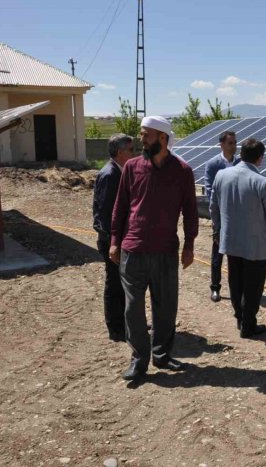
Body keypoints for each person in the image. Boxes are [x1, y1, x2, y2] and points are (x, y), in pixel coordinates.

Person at [110, 116, 198, 381]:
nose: (141, 139)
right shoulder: (132, 168)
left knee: (165, 307)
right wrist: (115, 240)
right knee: (132, 308)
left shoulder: (182, 171)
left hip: (165, 251)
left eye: (145, 135)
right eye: (141, 134)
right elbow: (120, 207)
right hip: (133, 249)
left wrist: (189, 245)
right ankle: (139, 359)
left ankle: (161, 355)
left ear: (162, 137)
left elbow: (191, 212)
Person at [210, 138, 266, 337]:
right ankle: (248, 324)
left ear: (241, 154)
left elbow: (214, 207)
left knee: (235, 283)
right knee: (252, 287)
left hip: (230, 241)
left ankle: (239, 318)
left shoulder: (221, 175)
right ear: (260, 158)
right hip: (256, 245)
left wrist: (218, 231)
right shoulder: (262, 182)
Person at [92, 133, 134, 342]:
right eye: (131, 150)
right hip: (111, 240)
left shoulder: (119, 172)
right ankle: (116, 329)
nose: (134, 154)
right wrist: (113, 242)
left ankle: (124, 323)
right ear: (120, 152)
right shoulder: (110, 175)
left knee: (122, 283)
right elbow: (106, 213)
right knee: (115, 283)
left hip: (118, 239)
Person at [203, 130, 239, 303]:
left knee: (237, 256)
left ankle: (237, 288)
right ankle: (215, 287)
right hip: (221, 216)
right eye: (231, 143)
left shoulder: (241, 163)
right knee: (218, 254)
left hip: (239, 217)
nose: (234, 146)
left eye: (235, 142)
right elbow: (210, 191)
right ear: (222, 144)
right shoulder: (213, 164)